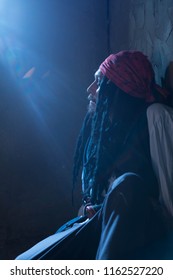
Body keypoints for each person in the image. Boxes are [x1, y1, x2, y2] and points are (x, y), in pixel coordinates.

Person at [16, 50, 171, 260]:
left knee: (128, 183)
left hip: (143, 228)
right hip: (97, 225)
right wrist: (91, 209)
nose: (89, 89)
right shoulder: (102, 135)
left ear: (120, 89)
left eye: (99, 82)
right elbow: (88, 203)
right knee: (22, 265)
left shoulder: (155, 116)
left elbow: (169, 201)